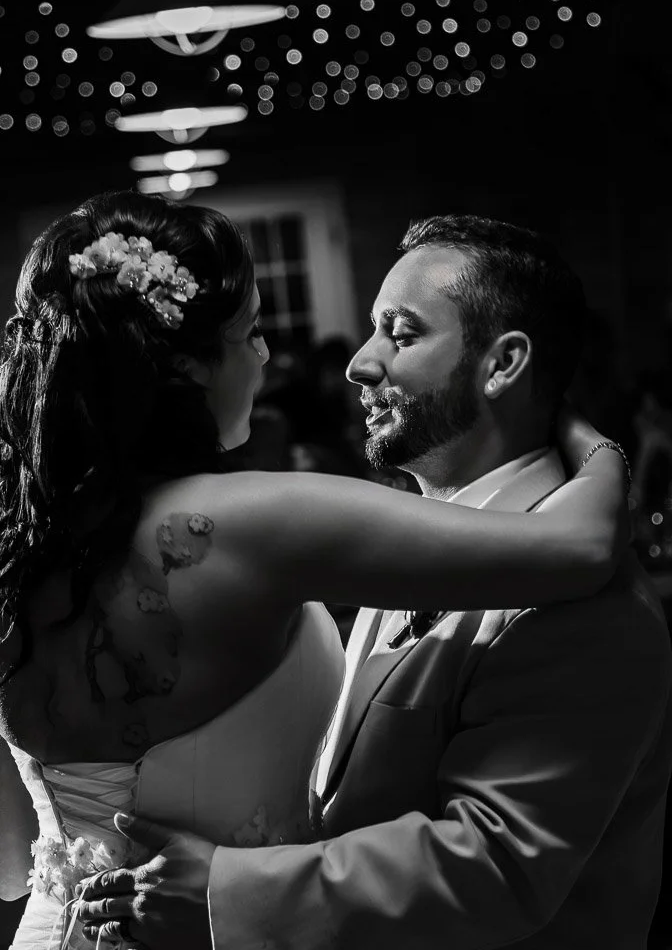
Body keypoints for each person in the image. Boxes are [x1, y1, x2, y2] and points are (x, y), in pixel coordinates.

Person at [0, 194, 630, 950]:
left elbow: (10, 859)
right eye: (251, 333)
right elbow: (581, 547)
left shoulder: (21, 547)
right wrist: (593, 444)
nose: (267, 357)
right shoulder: (255, 521)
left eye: (399, 333)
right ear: (185, 366)